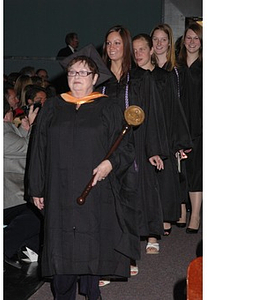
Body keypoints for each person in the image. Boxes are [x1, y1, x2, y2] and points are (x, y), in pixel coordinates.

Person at [28, 46, 137, 300]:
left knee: (92, 242)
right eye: (72, 72)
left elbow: (126, 146)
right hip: (59, 188)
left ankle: (91, 292)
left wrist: (111, 164)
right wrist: (36, 188)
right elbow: (38, 149)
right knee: (61, 242)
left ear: (95, 78)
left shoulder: (109, 108)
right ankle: (62, 294)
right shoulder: (53, 107)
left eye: (84, 72)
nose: (77, 77)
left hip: (94, 189)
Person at [98, 25, 169, 260]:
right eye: (109, 43)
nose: (112, 47)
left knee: (138, 192)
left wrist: (154, 149)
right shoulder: (101, 80)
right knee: (114, 198)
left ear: (126, 46)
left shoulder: (139, 77)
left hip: (136, 142)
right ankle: (124, 254)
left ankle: (149, 236)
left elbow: (153, 113)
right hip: (109, 144)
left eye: (117, 42)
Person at [132, 33, 193, 239]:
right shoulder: (130, 79)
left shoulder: (164, 78)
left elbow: (174, 110)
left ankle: (161, 222)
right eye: (135, 50)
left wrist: (178, 142)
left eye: (142, 49)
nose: (138, 53)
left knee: (163, 182)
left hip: (162, 134)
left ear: (151, 51)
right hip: (138, 137)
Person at [4, 96, 42, 269]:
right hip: (8, 198)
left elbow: (22, 146)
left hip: (13, 194)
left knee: (40, 210)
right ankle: (6, 247)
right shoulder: (2, 132)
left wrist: (27, 129)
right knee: (37, 213)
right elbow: (30, 147)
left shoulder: (8, 130)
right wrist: (34, 125)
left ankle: (26, 248)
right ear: (7, 114)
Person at [177, 23, 203, 234]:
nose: (192, 42)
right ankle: (182, 210)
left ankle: (195, 215)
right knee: (180, 169)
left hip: (200, 125)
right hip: (179, 123)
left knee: (196, 169)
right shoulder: (176, 66)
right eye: (189, 38)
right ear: (183, 40)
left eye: (196, 38)